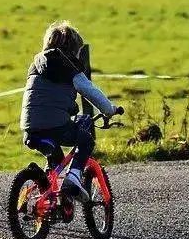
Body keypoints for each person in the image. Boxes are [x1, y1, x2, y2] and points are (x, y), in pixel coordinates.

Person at [19, 21, 122, 198]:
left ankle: (45, 193)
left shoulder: (36, 64)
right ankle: (73, 178)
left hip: (30, 129)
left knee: (56, 161)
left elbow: (47, 97)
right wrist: (109, 110)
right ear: (73, 50)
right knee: (86, 140)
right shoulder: (68, 67)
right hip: (55, 126)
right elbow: (91, 91)